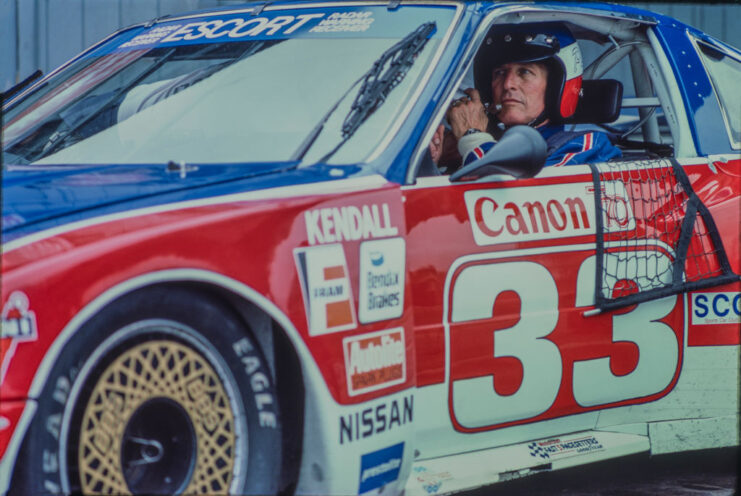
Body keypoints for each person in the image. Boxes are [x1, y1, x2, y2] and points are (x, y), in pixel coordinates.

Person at [429, 22, 621, 170]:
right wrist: (433, 163)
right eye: (500, 73)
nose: (508, 84)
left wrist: (472, 138)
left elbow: (512, 200)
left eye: (525, 72)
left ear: (556, 87)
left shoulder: (587, 148)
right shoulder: (478, 148)